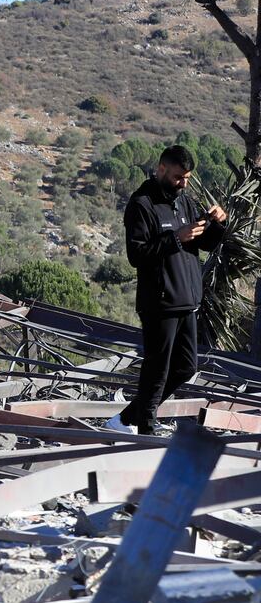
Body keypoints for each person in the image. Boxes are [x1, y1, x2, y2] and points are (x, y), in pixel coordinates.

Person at [107, 144, 227, 435]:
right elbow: (136, 254)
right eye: (177, 177)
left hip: (187, 300)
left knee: (185, 368)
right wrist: (175, 238)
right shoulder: (141, 204)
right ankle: (145, 430)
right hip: (159, 302)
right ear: (161, 169)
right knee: (157, 370)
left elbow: (203, 243)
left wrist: (218, 225)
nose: (182, 183)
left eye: (186, 178)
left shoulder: (183, 201)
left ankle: (126, 419)